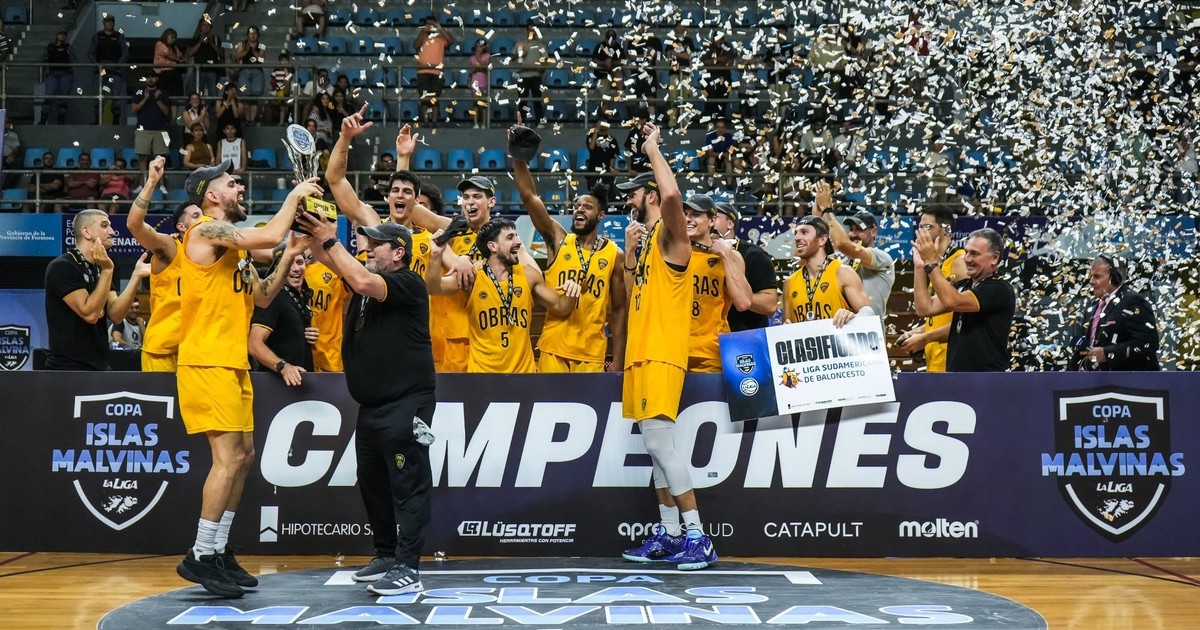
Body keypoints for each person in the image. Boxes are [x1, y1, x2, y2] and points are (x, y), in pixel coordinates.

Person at [173, 160, 318, 598]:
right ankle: (200, 554)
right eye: (231, 182)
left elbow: (264, 296)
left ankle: (218, 549)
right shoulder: (203, 231)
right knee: (226, 459)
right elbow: (269, 236)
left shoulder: (233, 252)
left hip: (232, 363)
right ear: (211, 195)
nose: (239, 187)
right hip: (206, 361)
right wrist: (293, 197)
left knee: (244, 456)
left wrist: (292, 253)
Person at [295, 213, 436, 597]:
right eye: (367, 243)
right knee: (373, 484)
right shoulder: (366, 281)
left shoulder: (407, 283)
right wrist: (308, 222)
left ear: (398, 253)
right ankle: (387, 554)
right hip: (372, 407)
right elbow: (326, 258)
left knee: (408, 485)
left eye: (376, 245)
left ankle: (408, 567)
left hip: (406, 402)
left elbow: (357, 277)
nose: (368, 249)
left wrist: (330, 239)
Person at [618, 123, 717, 571]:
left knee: (661, 446)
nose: (629, 201)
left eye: (635, 194)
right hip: (640, 354)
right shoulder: (645, 245)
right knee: (655, 450)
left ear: (652, 196)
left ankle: (698, 536)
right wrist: (629, 255)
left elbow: (674, 196)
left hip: (661, 352)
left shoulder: (673, 237)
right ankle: (670, 533)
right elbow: (633, 297)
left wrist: (653, 149)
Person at [512, 125, 627, 372]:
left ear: (601, 215)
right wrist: (519, 155)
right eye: (576, 206)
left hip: (592, 354)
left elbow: (618, 310)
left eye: (587, 206)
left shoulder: (615, 255)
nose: (579, 210)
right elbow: (529, 197)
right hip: (554, 349)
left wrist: (617, 357)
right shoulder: (559, 240)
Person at [427, 217, 582, 373]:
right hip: (482, 377)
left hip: (523, 376)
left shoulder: (528, 275)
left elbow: (560, 307)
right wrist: (435, 255)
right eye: (510, 237)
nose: (518, 242)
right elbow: (434, 287)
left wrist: (572, 290)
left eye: (516, 236)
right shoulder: (474, 276)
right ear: (492, 246)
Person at [44, 210, 149, 370]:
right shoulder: (63, 266)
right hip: (67, 369)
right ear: (86, 232)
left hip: (100, 365)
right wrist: (107, 270)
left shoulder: (100, 267)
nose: (112, 232)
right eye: (104, 226)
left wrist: (136, 276)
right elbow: (90, 314)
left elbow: (116, 315)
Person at [127, 158, 203, 371]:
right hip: (163, 351)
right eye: (196, 216)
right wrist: (152, 182)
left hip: (196, 351)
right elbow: (134, 225)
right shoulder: (171, 247)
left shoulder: (212, 255)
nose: (203, 220)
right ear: (181, 226)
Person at [912, 227, 1014, 372]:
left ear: (995, 258)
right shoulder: (963, 286)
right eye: (966, 252)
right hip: (957, 377)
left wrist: (931, 263)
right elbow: (924, 308)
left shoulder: (999, 288)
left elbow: (952, 301)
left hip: (986, 379)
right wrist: (919, 267)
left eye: (975, 254)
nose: (967, 259)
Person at [680, 195, 752, 372]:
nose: (688, 219)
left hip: (711, 355)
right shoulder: (673, 254)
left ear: (712, 220)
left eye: (696, 214)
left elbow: (743, 302)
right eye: (685, 214)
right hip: (674, 352)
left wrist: (725, 255)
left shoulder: (730, 255)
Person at [811, 182, 896, 318]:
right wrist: (816, 220)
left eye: (859, 229)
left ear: (873, 231)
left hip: (869, 329)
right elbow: (811, 259)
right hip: (841, 327)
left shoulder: (882, 258)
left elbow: (842, 244)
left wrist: (827, 210)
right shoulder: (841, 258)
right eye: (851, 229)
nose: (853, 234)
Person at [896, 207, 965, 371]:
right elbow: (931, 314)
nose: (921, 232)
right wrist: (918, 332)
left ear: (946, 230)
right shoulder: (935, 265)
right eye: (920, 227)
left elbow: (966, 323)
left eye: (927, 227)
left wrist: (925, 338)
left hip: (955, 365)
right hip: (934, 363)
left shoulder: (960, 263)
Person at [1071, 255, 1159, 371]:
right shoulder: (1092, 305)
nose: (1091, 281)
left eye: (1097, 276)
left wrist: (1106, 354)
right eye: (1091, 276)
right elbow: (1082, 345)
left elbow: (1148, 343)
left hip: (1127, 379)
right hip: (1094, 379)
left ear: (1115, 278)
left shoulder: (1133, 301)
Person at [782, 215, 874, 325]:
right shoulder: (789, 283)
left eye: (804, 232)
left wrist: (853, 316)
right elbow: (786, 325)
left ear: (822, 240)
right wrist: (785, 327)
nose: (797, 238)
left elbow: (868, 313)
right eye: (796, 233)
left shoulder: (843, 272)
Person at [249, 249, 316, 383]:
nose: (295, 269)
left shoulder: (299, 297)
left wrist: (306, 336)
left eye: (300, 262)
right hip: (277, 386)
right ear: (277, 269)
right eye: (289, 263)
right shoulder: (274, 297)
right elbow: (253, 343)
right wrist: (282, 367)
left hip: (297, 384)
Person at [712, 202, 778, 331]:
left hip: (744, 336)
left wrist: (737, 293)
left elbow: (770, 305)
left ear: (730, 224)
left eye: (715, 217)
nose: (710, 221)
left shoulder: (754, 254)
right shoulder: (695, 253)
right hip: (705, 337)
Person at [131, 73, 171, 194]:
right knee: (142, 158)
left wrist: (157, 100)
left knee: (160, 159)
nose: (150, 79)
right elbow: (134, 109)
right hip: (142, 130)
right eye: (148, 77)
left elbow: (166, 112)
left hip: (161, 130)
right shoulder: (139, 91)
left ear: (156, 78)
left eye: (153, 77)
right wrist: (146, 99)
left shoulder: (162, 92)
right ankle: (142, 184)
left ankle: (162, 185)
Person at [90, 14, 130, 125]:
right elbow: (91, 53)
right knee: (99, 95)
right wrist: (97, 65)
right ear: (104, 23)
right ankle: (97, 120)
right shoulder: (97, 36)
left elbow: (126, 53)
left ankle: (115, 121)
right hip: (101, 69)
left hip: (115, 69)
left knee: (116, 95)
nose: (110, 23)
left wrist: (117, 65)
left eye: (111, 21)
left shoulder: (119, 37)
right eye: (107, 21)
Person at [413, 16, 453, 128]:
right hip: (423, 71)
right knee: (425, 97)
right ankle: (426, 120)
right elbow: (416, 45)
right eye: (428, 24)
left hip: (437, 72)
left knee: (435, 98)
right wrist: (423, 31)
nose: (431, 26)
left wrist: (440, 28)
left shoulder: (440, 38)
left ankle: (434, 121)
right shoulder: (423, 37)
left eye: (432, 24)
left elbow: (451, 41)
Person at [42, 31, 76, 125]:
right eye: (60, 34)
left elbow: (74, 60)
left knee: (63, 98)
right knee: (48, 96)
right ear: (56, 35)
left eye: (64, 35)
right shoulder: (50, 47)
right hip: (52, 73)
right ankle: (43, 119)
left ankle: (61, 121)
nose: (62, 36)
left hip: (65, 74)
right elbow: (44, 59)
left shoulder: (68, 47)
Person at [514, 24, 545, 125]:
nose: (532, 32)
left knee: (537, 100)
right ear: (526, 31)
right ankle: (521, 123)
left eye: (534, 30)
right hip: (523, 76)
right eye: (530, 30)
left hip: (536, 77)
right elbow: (512, 57)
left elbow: (544, 60)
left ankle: (539, 122)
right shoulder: (520, 44)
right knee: (523, 101)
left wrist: (541, 68)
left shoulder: (541, 45)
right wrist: (520, 54)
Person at [233, 26, 265, 125]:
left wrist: (254, 52)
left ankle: (252, 119)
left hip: (257, 72)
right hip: (244, 71)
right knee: (245, 95)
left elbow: (261, 60)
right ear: (247, 35)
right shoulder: (242, 44)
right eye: (251, 33)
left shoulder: (261, 46)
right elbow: (237, 57)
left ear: (258, 35)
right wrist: (246, 50)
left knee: (255, 95)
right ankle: (247, 119)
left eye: (255, 33)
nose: (253, 35)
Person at [186, 16, 225, 97]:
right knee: (199, 93)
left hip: (212, 70)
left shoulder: (216, 38)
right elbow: (190, 53)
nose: (206, 27)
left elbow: (221, 53)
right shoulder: (195, 39)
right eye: (204, 25)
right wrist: (200, 42)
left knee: (213, 93)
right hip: (199, 70)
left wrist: (211, 43)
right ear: (200, 27)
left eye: (208, 25)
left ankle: (212, 105)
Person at [584, 119, 619, 190]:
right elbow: (591, 147)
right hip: (593, 169)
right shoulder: (590, 136)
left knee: (606, 191)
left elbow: (613, 156)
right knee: (593, 191)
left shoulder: (612, 140)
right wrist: (596, 132)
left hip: (606, 171)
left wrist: (611, 168)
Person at [153, 28, 185, 104]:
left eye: (174, 38)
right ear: (166, 36)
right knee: (165, 95)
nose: (173, 40)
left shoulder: (173, 47)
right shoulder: (159, 44)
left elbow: (180, 55)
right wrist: (178, 60)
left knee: (176, 95)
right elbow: (168, 54)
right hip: (163, 72)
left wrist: (181, 58)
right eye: (172, 37)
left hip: (173, 71)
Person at [468, 38, 491, 128]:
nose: (480, 48)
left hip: (484, 82)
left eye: (481, 46)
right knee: (476, 103)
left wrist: (478, 57)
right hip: (475, 83)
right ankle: (476, 123)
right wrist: (477, 67)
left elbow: (485, 67)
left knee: (483, 103)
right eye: (478, 46)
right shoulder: (471, 58)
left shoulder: (487, 56)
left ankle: (484, 123)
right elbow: (471, 70)